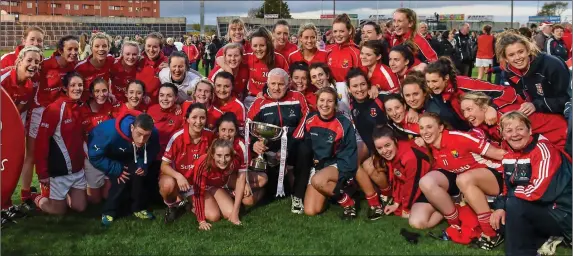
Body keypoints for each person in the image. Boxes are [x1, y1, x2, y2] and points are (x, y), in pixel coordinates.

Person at [416, 113, 506, 249]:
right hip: (468, 182)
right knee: (425, 182)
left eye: (429, 127)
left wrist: (527, 162)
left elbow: (500, 154)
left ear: (441, 128)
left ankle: (491, 234)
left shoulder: (459, 138)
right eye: (422, 128)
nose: (425, 132)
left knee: (463, 179)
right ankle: (456, 224)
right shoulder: (433, 147)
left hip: (496, 176)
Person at [491, 111, 572, 255]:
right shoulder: (509, 155)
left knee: (514, 206)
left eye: (520, 128)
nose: (515, 134)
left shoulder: (543, 149)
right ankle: (538, 242)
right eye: (509, 130)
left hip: (563, 213)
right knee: (501, 220)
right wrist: (500, 207)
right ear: (503, 135)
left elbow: (538, 190)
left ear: (530, 130)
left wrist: (509, 201)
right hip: (543, 209)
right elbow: (508, 186)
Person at [22, 35, 79, 206]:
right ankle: (25, 194)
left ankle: (48, 191)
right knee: (31, 154)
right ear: (60, 50)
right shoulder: (45, 64)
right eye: (70, 49)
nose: (74, 52)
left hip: (58, 113)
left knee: (51, 151)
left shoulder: (73, 66)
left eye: (76, 49)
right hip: (39, 112)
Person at [247, 68, 310, 212]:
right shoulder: (259, 103)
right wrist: (254, 144)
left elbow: (304, 123)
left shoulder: (298, 97)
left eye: (281, 84)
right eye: (273, 84)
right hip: (270, 151)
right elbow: (248, 128)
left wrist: (287, 149)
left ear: (288, 84)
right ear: (267, 84)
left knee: (305, 150)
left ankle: (298, 196)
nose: (276, 88)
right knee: (272, 192)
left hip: (293, 146)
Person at [88, 111, 160, 226]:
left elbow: (152, 150)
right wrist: (115, 168)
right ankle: (109, 211)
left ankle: (138, 208)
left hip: (129, 153)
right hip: (107, 154)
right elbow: (94, 156)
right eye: (139, 134)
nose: (142, 140)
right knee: (121, 176)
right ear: (132, 127)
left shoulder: (153, 133)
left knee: (138, 173)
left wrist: (143, 164)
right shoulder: (110, 133)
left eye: (146, 136)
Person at [32, 72, 87, 215]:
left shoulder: (80, 106)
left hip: (77, 171)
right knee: (58, 212)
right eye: (73, 85)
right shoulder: (55, 109)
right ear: (65, 88)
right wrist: (42, 172)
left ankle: (64, 196)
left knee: (80, 207)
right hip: (59, 173)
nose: (77, 88)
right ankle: (36, 197)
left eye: (80, 85)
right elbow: (41, 142)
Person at [304, 87, 358, 219]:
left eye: (329, 101)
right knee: (311, 211)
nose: (325, 104)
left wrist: (345, 175)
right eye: (322, 100)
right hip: (318, 166)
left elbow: (350, 151)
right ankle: (332, 192)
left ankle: (348, 202)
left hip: (336, 163)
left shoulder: (344, 123)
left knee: (317, 180)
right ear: (316, 102)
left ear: (335, 104)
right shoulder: (310, 119)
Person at [345, 68, 391, 220]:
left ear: (368, 84)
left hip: (388, 149)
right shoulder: (350, 103)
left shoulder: (379, 98)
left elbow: (399, 101)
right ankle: (375, 203)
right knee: (353, 161)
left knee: (370, 167)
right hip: (371, 148)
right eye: (355, 86)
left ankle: (386, 194)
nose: (359, 89)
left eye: (363, 84)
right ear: (349, 89)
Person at [425, 57, 519, 129]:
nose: (431, 85)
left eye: (434, 81)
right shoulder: (434, 92)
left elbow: (508, 91)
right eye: (428, 82)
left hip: (501, 122)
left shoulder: (464, 84)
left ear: (446, 78)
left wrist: (493, 107)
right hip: (476, 130)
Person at [160, 103, 213, 223]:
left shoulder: (210, 135)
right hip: (177, 180)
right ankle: (172, 205)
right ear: (187, 119)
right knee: (167, 185)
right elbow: (164, 166)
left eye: (202, 118)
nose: (198, 122)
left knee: (212, 215)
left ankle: (186, 203)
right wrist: (178, 176)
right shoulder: (177, 137)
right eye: (194, 117)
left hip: (195, 184)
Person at [497, 31, 570, 115]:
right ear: (506, 59)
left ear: (528, 51)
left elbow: (567, 99)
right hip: (536, 114)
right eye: (511, 55)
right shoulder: (509, 73)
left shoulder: (552, 65)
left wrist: (536, 105)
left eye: (521, 52)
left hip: (563, 114)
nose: (517, 57)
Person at [460, 91, 567, 148]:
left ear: (484, 108)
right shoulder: (484, 123)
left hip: (562, 136)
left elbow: (514, 146)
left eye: (469, 109)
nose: (465, 115)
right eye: (463, 111)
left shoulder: (505, 117)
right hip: (549, 142)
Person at [370, 126, 431, 220]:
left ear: (395, 140)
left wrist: (406, 208)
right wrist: (396, 203)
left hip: (433, 188)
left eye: (387, 145)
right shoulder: (395, 153)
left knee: (417, 222)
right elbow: (400, 179)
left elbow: (413, 185)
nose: (384, 151)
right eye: (379, 148)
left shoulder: (409, 157)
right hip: (421, 188)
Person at [224, 27, 288, 108]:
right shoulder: (248, 57)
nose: (258, 49)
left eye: (262, 45)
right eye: (255, 46)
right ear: (251, 46)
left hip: (274, 99)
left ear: (268, 44)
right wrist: (229, 71)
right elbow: (220, 58)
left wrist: (266, 93)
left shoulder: (279, 59)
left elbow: (287, 82)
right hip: (251, 99)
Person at [190, 139, 246, 230]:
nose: (223, 160)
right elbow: (198, 192)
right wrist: (201, 221)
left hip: (215, 187)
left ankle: (218, 201)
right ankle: (192, 207)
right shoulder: (203, 163)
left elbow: (240, 179)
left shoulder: (236, 159)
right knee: (214, 217)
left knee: (230, 213)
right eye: (219, 155)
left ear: (231, 155)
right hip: (199, 189)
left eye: (227, 155)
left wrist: (235, 212)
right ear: (212, 154)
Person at [80, 77, 115, 205]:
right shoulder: (82, 109)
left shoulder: (111, 105)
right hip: (92, 158)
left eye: (104, 90)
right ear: (91, 93)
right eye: (97, 91)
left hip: (108, 156)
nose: (101, 94)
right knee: (95, 200)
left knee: (107, 196)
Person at [75, 32, 116, 102]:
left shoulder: (111, 60)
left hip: (104, 102)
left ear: (109, 48)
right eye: (97, 46)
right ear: (91, 48)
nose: (101, 49)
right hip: (85, 106)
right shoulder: (80, 68)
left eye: (104, 46)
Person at [1, 46, 42, 114]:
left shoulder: (29, 86)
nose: (33, 64)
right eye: (29, 60)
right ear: (19, 61)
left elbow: (15, 112)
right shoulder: (3, 79)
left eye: (37, 62)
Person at [326, 14, 361, 85]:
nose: (338, 35)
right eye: (335, 31)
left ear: (350, 31)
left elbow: (361, 77)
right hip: (330, 92)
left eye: (341, 31)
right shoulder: (328, 49)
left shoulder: (356, 52)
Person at [136, 32, 168, 105]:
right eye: (149, 46)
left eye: (155, 47)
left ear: (160, 48)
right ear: (145, 46)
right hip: (138, 104)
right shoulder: (138, 60)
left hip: (158, 106)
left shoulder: (166, 63)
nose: (151, 49)